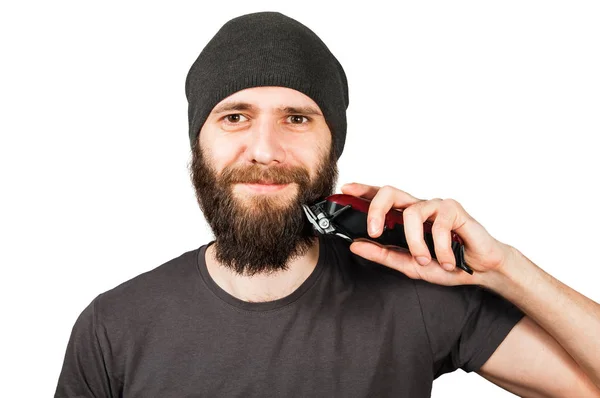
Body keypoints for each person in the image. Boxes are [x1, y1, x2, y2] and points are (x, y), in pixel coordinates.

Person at [55, 11, 600, 397]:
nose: (265, 150)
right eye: (235, 116)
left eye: (297, 118)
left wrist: (504, 268)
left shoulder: (418, 294)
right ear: (199, 141)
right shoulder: (113, 327)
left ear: (331, 144)